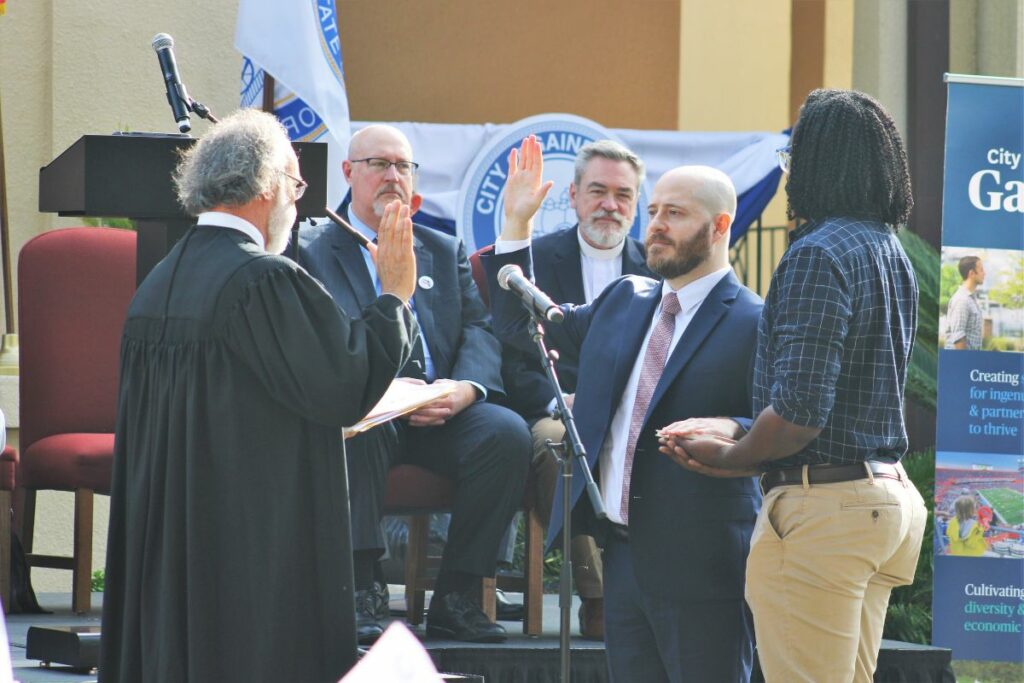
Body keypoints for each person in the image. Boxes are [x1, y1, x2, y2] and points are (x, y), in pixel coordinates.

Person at [100, 109, 419, 683]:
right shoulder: (263, 280)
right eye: (296, 187)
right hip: (245, 541)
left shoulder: (157, 282)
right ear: (269, 185)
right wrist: (393, 297)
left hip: (172, 544)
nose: (296, 204)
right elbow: (344, 384)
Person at [662, 89, 927, 683]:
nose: (789, 164)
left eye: (796, 149)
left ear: (818, 161)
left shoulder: (817, 254)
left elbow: (802, 411)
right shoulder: (890, 250)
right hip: (886, 504)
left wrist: (731, 457)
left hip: (825, 510)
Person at [485, 135, 762, 682]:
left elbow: (788, 423)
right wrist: (516, 227)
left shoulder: (754, 319)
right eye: (653, 210)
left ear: (721, 226)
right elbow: (522, 328)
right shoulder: (625, 299)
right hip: (623, 555)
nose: (655, 224)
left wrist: (734, 425)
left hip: (702, 564)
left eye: (675, 214)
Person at [298, 125, 531, 644]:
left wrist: (466, 388)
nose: (393, 176)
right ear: (348, 173)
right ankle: (361, 589)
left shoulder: (441, 248)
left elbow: (480, 328)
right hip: (366, 404)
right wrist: (377, 391)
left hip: (438, 406)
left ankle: (459, 596)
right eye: (379, 164)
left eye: (403, 167)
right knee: (352, 423)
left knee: (508, 433)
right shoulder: (311, 248)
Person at [500, 139, 654, 640]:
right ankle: (602, 598)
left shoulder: (659, 268)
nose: (610, 204)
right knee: (567, 445)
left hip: (639, 411)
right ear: (573, 195)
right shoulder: (535, 261)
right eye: (598, 191)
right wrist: (557, 401)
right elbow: (514, 357)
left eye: (623, 195)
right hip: (556, 409)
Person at [945, 255, 985, 350]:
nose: (984, 273)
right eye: (981, 270)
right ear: (971, 273)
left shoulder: (971, 299)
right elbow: (958, 338)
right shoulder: (962, 300)